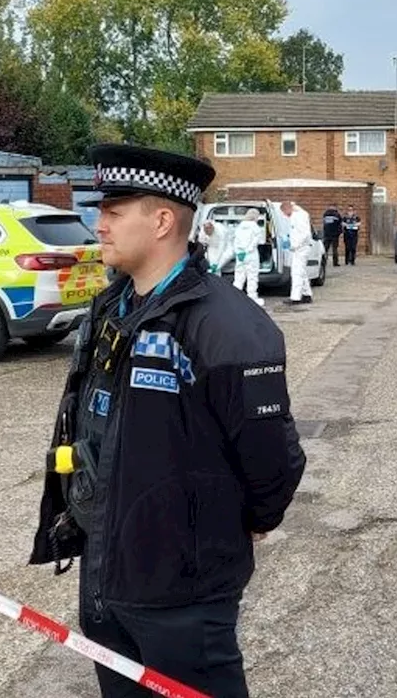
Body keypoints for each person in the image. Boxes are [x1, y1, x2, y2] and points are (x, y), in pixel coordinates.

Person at [29, 143, 306, 698]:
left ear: (160, 221)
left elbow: (272, 456)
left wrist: (247, 520)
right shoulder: (113, 309)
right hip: (108, 572)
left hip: (184, 590)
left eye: (113, 211)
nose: (98, 223)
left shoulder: (227, 326)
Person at [281, 201, 314, 305]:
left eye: (284, 212)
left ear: (287, 209)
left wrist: (294, 245)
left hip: (301, 248)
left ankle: (295, 297)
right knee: (302, 272)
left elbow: (304, 234)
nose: (284, 215)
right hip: (301, 248)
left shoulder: (298, 216)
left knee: (296, 272)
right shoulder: (300, 215)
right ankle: (307, 294)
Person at [232, 208, 265, 306]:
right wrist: (247, 251)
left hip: (240, 255)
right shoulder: (255, 227)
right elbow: (257, 241)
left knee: (238, 276)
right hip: (251, 255)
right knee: (252, 276)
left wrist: (239, 252)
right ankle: (252, 297)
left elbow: (235, 241)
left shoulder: (239, 226)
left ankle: (234, 297)